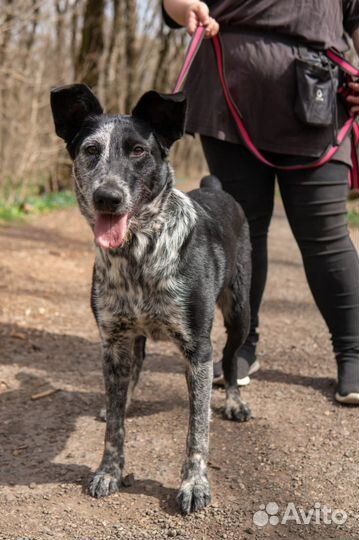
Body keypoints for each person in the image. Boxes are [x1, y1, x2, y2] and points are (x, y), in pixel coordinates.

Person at [162, 0, 359, 404]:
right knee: (243, 229)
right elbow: (173, 2)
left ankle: (354, 353)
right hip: (226, 89)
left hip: (320, 95)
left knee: (325, 234)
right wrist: (186, 10)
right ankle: (241, 348)